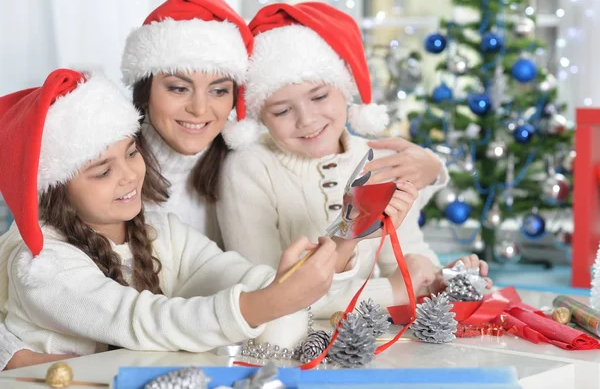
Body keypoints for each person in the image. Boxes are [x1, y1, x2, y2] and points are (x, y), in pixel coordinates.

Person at [0, 69, 416, 357]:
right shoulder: (43, 265)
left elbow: (241, 278)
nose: (129, 176)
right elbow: (140, 320)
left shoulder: (160, 230)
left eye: (131, 153)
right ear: (55, 187)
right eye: (102, 171)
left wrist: (342, 239)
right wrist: (267, 301)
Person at [217, 2, 491, 316]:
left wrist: (441, 278)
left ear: (346, 91)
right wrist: (394, 290)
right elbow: (267, 294)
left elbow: (406, 258)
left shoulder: (381, 160)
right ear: (259, 116)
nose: (306, 120)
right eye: (281, 110)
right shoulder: (248, 169)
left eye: (319, 96)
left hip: (376, 338)